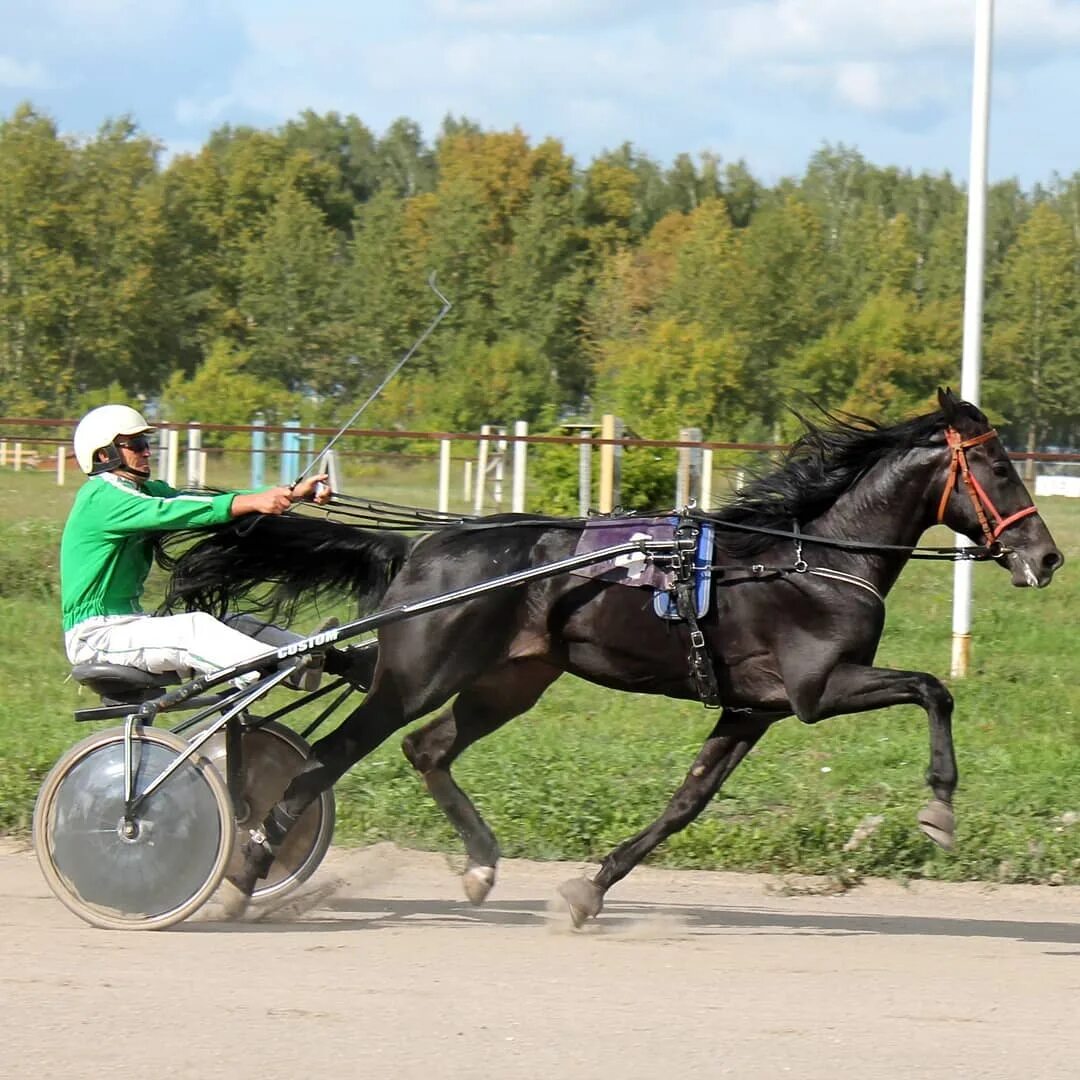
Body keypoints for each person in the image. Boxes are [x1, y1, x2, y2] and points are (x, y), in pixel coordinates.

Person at [62, 403, 340, 691]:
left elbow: (198, 498)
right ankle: (276, 666)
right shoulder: (102, 497)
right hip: (97, 637)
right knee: (194, 628)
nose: (146, 451)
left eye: (146, 442)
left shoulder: (141, 491)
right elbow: (169, 510)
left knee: (234, 622)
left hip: (128, 624)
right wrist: (249, 504)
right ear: (104, 454)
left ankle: (313, 658)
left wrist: (289, 494)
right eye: (136, 444)